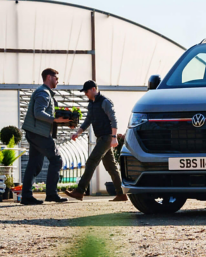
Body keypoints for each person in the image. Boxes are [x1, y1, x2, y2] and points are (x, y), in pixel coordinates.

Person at [64, 80, 128, 202]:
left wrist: (114, 137)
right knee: (111, 166)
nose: (85, 94)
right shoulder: (91, 104)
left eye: (86, 91)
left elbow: (113, 120)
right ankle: (121, 194)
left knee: (91, 161)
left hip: (107, 136)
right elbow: (88, 120)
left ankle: (80, 191)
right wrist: (78, 133)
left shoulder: (105, 102)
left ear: (93, 89)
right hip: (101, 137)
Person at [20, 68, 71, 205]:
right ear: (49, 77)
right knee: (56, 160)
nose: (58, 81)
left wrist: (63, 121)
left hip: (35, 132)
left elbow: (44, 114)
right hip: (39, 133)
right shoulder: (43, 92)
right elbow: (38, 113)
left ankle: (26, 196)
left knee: (34, 164)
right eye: (56, 78)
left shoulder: (45, 92)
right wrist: (55, 119)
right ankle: (51, 194)